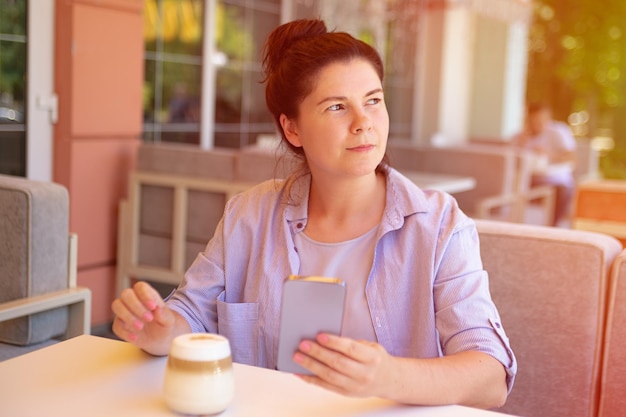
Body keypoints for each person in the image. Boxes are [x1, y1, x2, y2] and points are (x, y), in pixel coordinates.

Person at [112, 19, 516, 409]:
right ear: (292, 130)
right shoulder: (249, 215)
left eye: (373, 101)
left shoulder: (440, 226)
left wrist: (389, 376)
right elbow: (192, 314)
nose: (363, 123)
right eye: (337, 106)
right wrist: (161, 331)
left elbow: (491, 377)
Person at [513, 102, 577, 227]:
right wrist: (520, 146)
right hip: (528, 179)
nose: (536, 125)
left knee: (565, 188)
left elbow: (572, 158)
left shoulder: (557, 132)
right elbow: (506, 163)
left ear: (548, 119)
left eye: (540, 121)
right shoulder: (520, 136)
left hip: (553, 178)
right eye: (532, 121)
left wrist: (549, 154)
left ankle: (553, 226)